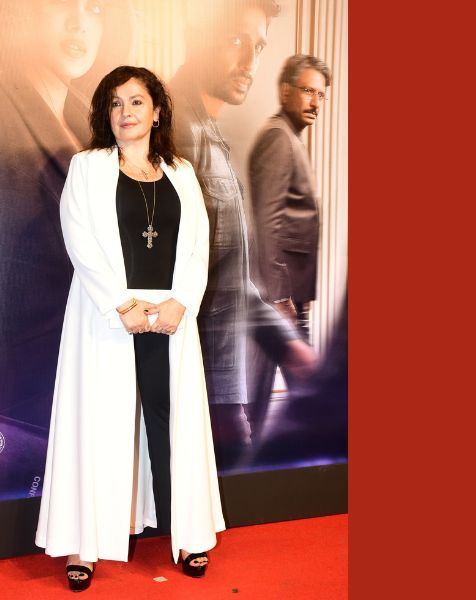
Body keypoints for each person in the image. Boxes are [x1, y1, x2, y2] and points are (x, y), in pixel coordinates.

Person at [35, 66, 224, 591]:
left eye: (136, 101)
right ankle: (84, 546)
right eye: (115, 104)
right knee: (99, 425)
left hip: (170, 318)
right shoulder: (87, 167)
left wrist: (181, 302)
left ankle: (189, 535)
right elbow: (78, 239)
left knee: (173, 425)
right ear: (105, 114)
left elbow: (198, 243)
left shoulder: (181, 172)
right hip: (108, 317)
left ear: (157, 111)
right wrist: (122, 305)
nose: (126, 112)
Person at [0, 1, 133, 503]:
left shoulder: (96, 133)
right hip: (5, 408)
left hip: (79, 397)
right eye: (62, 4)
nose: (79, 22)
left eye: (95, 8)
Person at [170, 0, 316, 465]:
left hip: (220, 389)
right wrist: (213, 406)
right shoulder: (176, 130)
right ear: (196, 35)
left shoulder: (204, 129)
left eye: (259, 47)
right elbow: (168, 281)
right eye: (236, 40)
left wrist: (288, 346)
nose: (250, 62)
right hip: (203, 395)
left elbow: (226, 271)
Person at [248, 54, 331, 338]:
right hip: (282, 297)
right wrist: (280, 296)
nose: (316, 103)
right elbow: (267, 223)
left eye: (321, 94)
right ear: (286, 91)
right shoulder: (278, 138)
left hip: (294, 294)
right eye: (308, 91)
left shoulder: (289, 136)